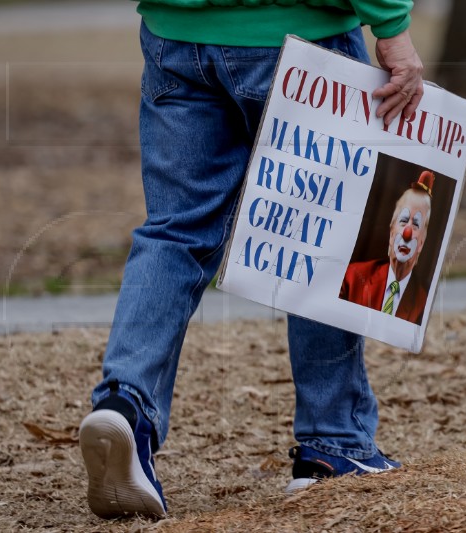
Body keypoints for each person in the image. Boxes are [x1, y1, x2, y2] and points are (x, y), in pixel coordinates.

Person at [78, 0, 424, 519]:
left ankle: (125, 402)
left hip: (177, 36)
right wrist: (391, 23)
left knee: (175, 231)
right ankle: (333, 443)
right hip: (305, 36)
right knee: (322, 230)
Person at [340, 170, 433, 325]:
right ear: (391, 235)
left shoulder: (422, 302)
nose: (407, 233)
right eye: (403, 221)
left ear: (421, 244)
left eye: (416, 224)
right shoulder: (351, 278)